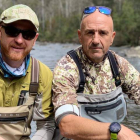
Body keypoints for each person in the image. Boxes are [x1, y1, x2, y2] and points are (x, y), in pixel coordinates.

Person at [52, 6, 140, 140]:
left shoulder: (119, 65)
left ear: (112, 37)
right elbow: (67, 125)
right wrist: (118, 131)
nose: (96, 40)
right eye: (90, 32)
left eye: (103, 33)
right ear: (80, 36)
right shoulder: (67, 68)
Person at [0, 4, 55, 140]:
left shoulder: (43, 74)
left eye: (27, 35)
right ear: (0, 32)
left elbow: (46, 124)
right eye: (12, 31)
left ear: (35, 40)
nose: (19, 40)